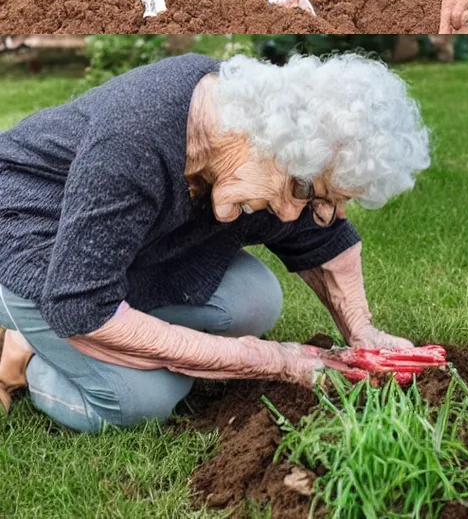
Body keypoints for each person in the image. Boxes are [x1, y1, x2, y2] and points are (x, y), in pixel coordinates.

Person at [0, 52, 429, 430]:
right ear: (272, 142)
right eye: (305, 193)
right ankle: (27, 357)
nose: (289, 215)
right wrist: (272, 360)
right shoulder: (134, 142)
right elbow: (82, 305)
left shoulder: (265, 140)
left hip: (119, 247)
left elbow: (324, 238)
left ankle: (58, 334)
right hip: (36, 244)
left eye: (322, 200)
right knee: (139, 399)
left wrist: (363, 331)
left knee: (255, 299)